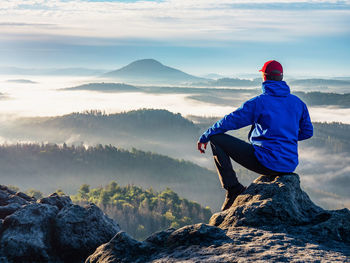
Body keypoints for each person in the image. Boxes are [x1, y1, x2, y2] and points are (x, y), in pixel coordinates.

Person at [197, 60, 313, 211]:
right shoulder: (298, 103)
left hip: (266, 162)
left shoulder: (259, 102)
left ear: (264, 77)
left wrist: (206, 135)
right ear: (282, 77)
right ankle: (234, 189)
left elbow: (230, 121)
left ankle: (233, 189)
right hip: (289, 165)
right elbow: (307, 132)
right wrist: (285, 136)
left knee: (216, 138)